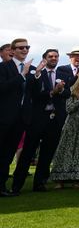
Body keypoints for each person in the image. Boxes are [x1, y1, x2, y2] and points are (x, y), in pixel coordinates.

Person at [11, 48, 69, 194]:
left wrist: (61, 90)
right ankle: (17, 184)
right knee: (28, 152)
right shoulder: (36, 73)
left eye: (56, 56)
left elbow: (68, 93)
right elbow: (33, 92)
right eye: (51, 56)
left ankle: (40, 183)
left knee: (47, 153)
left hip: (55, 119)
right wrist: (50, 90)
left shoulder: (63, 74)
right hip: (37, 118)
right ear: (44, 59)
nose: (54, 58)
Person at [49, 67, 79, 187]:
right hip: (72, 123)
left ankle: (78, 178)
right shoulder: (73, 90)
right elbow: (68, 108)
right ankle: (60, 179)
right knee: (66, 149)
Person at [0, 38, 36, 196]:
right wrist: (22, 75)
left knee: (8, 154)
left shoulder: (30, 69)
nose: (24, 50)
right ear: (12, 50)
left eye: (27, 47)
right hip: (4, 117)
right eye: (21, 47)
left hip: (21, 119)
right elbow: (3, 88)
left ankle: (2, 187)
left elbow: (33, 93)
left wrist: (37, 75)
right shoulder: (3, 67)